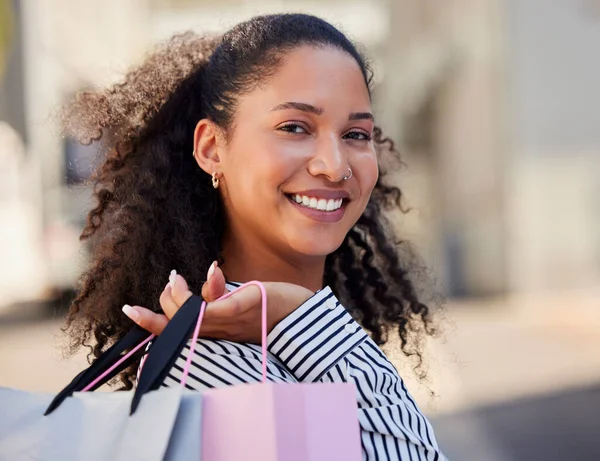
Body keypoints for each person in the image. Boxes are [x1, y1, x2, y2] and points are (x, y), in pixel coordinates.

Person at [62, 13, 446, 460]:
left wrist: (294, 315)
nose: (335, 165)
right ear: (212, 149)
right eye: (295, 127)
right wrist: (304, 319)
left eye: (356, 134)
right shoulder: (210, 372)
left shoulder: (292, 343)